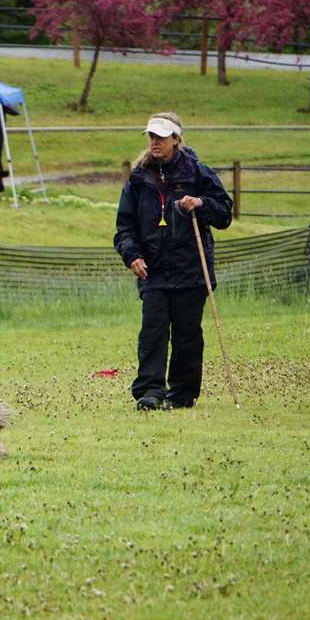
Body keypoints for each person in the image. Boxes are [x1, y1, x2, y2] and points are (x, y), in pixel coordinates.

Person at [114, 113, 232, 411]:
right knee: (152, 332)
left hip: (192, 269)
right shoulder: (139, 178)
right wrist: (132, 255)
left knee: (187, 333)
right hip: (152, 269)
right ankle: (150, 391)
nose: (154, 142)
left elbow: (224, 214)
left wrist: (201, 204)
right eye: (151, 136)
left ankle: (182, 394)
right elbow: (125, 226)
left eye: (161, 137)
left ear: (176, 139)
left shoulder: (198, 173)